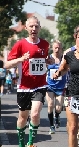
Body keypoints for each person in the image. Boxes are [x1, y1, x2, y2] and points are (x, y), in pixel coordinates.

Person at [4, 16, 50, 147]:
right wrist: (21, 59)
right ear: (26, 28)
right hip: (24, 87)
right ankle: (21, 144)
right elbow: (7, 65)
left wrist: (49, 61)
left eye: (36, 26)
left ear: (40, 28)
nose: (34, 29)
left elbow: (44, 60)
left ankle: (30, 143)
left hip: (40, 85)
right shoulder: (20, 44)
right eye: (31, 26)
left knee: (35, 113)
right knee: (22, 117)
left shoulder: (45, 44)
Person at [46, 40, 67, 134]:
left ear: (61, 48)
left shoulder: (64, 59)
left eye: (59, 48)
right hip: (49, 85)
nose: (57, 50)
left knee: (58, 108)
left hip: (61, 86)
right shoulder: (49, 58)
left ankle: (57, 116)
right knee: (50, 104)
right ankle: (51, 126)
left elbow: (68, 69)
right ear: (52, 48)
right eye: (55, 48)